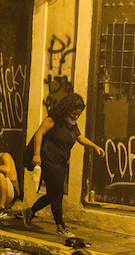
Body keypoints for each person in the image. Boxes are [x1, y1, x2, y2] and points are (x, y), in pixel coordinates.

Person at [22, 93, 104, 237]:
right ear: (67, 109)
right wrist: (36, 154)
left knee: (53, 193)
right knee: (58, 192)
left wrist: (95, 146)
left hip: (60, 162)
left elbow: (79, 137)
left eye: (78, 114)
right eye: (73, 113)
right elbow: (39, 134)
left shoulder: (71, 125)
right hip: (48, 160)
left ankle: (30, 211)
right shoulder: (52, 120)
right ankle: (60, 226)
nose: (75, 117)